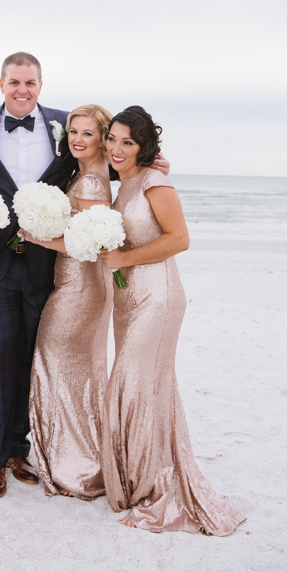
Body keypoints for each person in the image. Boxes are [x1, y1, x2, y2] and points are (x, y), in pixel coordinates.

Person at [0, 52, 170, 498]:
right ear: (1, 83)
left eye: (31, 83)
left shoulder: (66, 125)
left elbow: (107, 156)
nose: (23, 90)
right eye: (15, 82)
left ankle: (24, 450)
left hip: (51, 268)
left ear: (41, 85)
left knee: (36, 357)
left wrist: (150, 164)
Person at [99, 106, 245, 535]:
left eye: (128, 141)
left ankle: (154, 486)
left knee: (136, 383)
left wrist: (123, 257)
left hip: (158, 297)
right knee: (143, 387)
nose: (117, 148)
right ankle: (135, 480)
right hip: (127, 299)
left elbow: (179, 238)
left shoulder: (154, 182)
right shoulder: (122, 184)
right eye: (113, 139)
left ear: (144, 146)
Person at [20, 105, 113, 499]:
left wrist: (37, 237)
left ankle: (77, 465)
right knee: (78, 374)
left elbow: (89, 245)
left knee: (54, 364)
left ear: (102, 138)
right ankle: (81, 457)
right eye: (73, 131)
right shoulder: (87, 173)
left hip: (80, 286)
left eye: (87, 133)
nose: (76, 138)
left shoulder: (92, 183)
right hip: (80, 285)